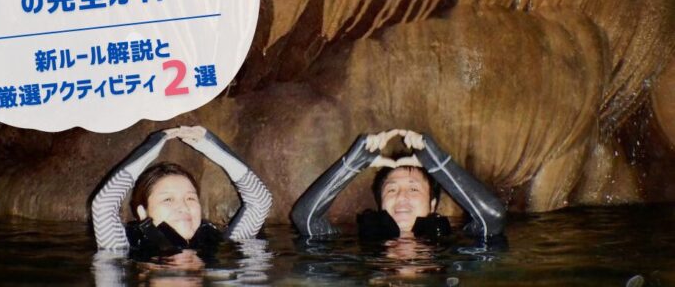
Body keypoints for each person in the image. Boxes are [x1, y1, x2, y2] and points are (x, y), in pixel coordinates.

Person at [291, 129, 505, 241]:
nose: (401, 197)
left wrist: (438, 163)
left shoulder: (453, 247)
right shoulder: (358, 244)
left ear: (432, 205)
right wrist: (352, 163)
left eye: (414, 189)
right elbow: (304, 218)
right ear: (380, 203)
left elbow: (493, 217)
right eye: (392, 189)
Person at [92, 125, 272, 258]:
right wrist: (150, 148)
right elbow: (103, 205)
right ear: (142, 212)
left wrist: (212, 147)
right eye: (168, 199)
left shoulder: (218, 244)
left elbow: (260, 201)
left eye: (190, 198)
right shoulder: (121, 248)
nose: (183, 207)